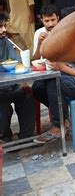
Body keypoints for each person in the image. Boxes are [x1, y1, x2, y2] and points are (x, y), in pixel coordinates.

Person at [31, 5, 75, 143]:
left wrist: (61, 68)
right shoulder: (65, 37)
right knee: (38, 86)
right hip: (70, 77)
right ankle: (63, 119)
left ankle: (58, 126)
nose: (52, 24)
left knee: (55, 81)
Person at [0, 12, 35, 143]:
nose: (4, 30)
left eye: (4, 25)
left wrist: (24, 83)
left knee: (28, 96)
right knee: (3, 109)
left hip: (12, 86)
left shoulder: (6, 42)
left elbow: (16, 64)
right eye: (0, 27)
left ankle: (26, 137)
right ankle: (5, 137)